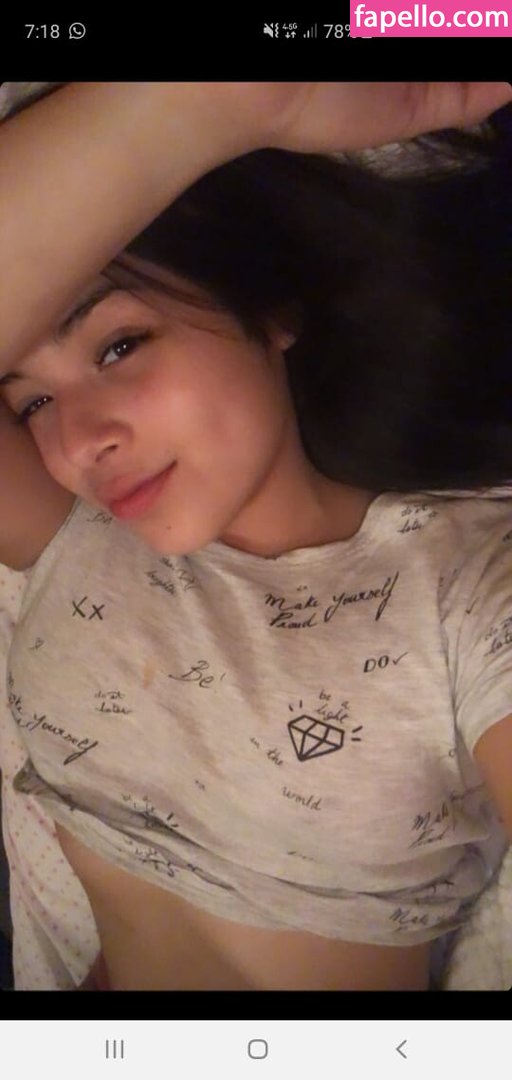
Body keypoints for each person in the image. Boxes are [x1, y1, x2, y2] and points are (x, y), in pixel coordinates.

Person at [1, 81, 512, 991]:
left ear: (271, 310)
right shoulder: (69, 537)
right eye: (32, 401)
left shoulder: (466, 583)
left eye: (119, 346)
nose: (77, 443)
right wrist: (207, 102)